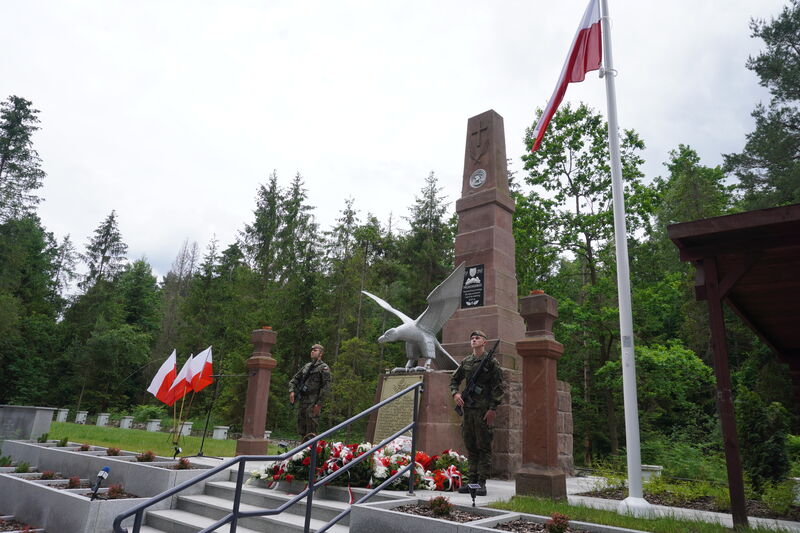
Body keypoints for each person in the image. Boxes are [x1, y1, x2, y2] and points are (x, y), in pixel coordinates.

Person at [450, 330, 504, 496]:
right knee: (471, 446)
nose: (474, 340)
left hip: (483, 411)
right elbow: (454, 379)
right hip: (468, 410)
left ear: (484, 342)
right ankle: (471, 482)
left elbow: (498, 387)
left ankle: (482, 483)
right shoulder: (466, 361)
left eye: (477, 338)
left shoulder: (492, 363)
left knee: (484, 446)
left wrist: (492, 408)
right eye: (472, 338)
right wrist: (456, 394)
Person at [289, 344, 332, 441]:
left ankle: (311, 452)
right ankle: (302, 451)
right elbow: (295, 379)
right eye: (311, 350)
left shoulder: (324, 368)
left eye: (315, 350)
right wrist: (292, 391)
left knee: (312, 429)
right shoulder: (307, 366)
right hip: (303, 401)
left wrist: (318, 404)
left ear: (321, 354)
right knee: (301, 428)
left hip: (313, 402)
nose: (312, 351)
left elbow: (326, 387)